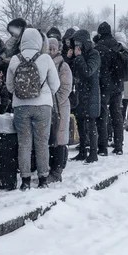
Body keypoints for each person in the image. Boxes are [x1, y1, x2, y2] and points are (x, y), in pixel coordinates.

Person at [5, 28, 60, 189]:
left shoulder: (15, 59)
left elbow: (9, 87)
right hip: (43, 106)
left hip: (20, 106)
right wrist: (43, 92)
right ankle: (43, 178)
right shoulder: (45, 58)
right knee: (42, 142)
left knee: (24, 143)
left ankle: (25, 180)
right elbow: (55, 85)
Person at [67, 29, 101, 163]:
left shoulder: (94, 54)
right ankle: (82, 151)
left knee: (91, 124)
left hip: (91, 93)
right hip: (80, 93)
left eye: (78, 43)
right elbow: (70, 71)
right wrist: (70, 59)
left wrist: (79, 57)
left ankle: (93, 153)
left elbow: (88, 71)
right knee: (80, 122)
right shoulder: (78, 56)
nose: (76, 46)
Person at [94, 22, 126, 155]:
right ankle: (119, 146)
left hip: (103, 86)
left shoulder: (98, 47)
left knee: (102, 116)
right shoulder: (117, 45)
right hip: (118, 86)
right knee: (117, 115)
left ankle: (103, 147)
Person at [47, 37, 73, 182]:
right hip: (49, 106)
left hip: (60, 106)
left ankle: (57, 170)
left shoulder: (63, 66)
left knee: (59, 138)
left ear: (58, 49)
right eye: (49, 48)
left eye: (54, 49)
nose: (51, 51)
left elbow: (66, 87)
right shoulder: (44, 63)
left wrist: (54, 100)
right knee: (51, 137)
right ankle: (53, 167)